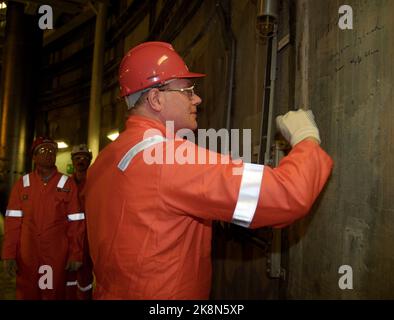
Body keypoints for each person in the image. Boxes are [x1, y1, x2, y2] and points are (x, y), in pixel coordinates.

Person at [85, 41, 333, 299]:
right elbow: (286, 196)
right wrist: (306, 140)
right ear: (156, 99)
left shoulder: (105, 161)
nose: (197, 99)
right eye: (187, 91)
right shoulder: (167, 158)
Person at [1, 137, 85, 299]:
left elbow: (76, 223)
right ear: (34, 157)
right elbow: (12, 223)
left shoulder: (67, 184)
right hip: (27, 255)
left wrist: (76, 254)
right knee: (27, 293)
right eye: (43, 150)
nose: (49, 153)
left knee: (53, 294)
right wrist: (8, 254)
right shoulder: (22, 184)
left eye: (52, 150)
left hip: (56, 255)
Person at [65, 144, 94, 300]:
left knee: (85, 275)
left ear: (89, 161)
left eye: (84, 158)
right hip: (69, 236)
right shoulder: (66, 184)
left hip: (90, 237)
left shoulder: (95, 183)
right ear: (72, 161)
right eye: (77, 158)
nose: (81, 161)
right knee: (68, 274)